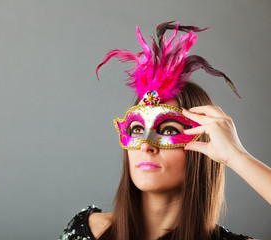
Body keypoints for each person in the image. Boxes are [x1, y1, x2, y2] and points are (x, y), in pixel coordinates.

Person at [58, 22, 271, 240]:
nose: (146, 145)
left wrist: (237, 157)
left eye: (168, 130)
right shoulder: (86, 231)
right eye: (137, 128)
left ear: (206, 145)